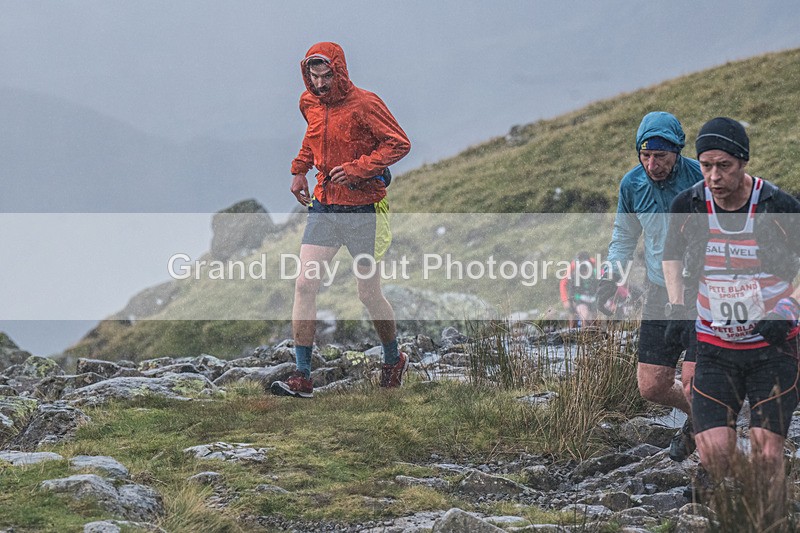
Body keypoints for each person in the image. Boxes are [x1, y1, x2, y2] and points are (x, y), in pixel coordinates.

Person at [662, 117, 800, 494]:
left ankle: (765, 511)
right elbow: (671, 256)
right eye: (706, 166)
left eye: (724, 166)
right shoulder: (687, 204)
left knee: (767, 453)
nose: (714, 176)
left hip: (773, 348)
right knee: (716, 455)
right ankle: (741, 493)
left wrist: (787, 308)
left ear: (743, 163)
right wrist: (677, 308)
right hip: (715, 348)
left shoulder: (778, 206)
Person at [270, 42, 411, 398]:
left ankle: (393, 359)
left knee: (368, 293)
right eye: (313, 77)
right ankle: (302, 377)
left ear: (340, 71)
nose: (319, 84)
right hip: (326, 206)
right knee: (305, 285)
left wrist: (357, 169)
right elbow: (313, 138)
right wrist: (299, 171)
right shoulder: (309, 103)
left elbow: (398, 143)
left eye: (326, 76)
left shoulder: (365, 103)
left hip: (364, 208)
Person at [595, 111, 703, 461]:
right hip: (660, 289)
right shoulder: (632, 185)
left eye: (661, 156)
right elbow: (624, 236)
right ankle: (707, 414)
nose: (652, 164)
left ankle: (712, 429)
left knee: (694, 377)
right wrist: (612, 276)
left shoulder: (701, 179)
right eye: (645, 156)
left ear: (677, 151)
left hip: (702, 291)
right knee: (652, 385)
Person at [560, 251, 599, 327]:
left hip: (591, 295)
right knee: (576, 313)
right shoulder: (573, 266)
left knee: (594, 316)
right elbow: (563, 283)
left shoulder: (593, 263)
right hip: (578, 295)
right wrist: (565, 300)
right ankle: (572, 330)